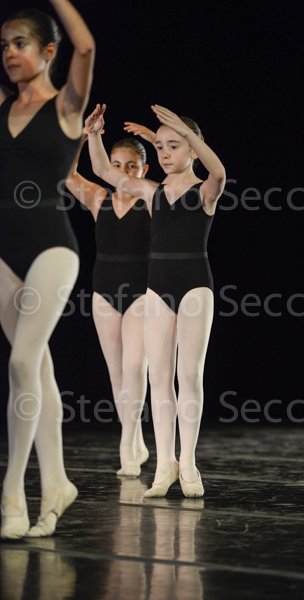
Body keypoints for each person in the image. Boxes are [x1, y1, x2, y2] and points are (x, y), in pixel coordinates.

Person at [85, 102, 226, 498]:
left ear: (192, 149)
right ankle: (165, 464)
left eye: (172, 146)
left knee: (189, 377)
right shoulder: (151, 192)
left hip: (195, 287)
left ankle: (189, 462)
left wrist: (189, 133)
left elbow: (219, 172)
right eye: (159, 147)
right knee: (158, 378)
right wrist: (93, 135)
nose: (163, 153)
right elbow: (103, 171)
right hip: (157, 289)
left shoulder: (205, 191)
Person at [0, 1, 95, 538]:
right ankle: (57, 483)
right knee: (37, 369)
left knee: (21, 362)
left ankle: (13, 492)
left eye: (20, 43)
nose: (9, 53)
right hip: (3, 252)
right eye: (4, 46)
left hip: (51, 248)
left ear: (48, 50)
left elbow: (87, 46)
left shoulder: (66, 106)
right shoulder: (1, 107)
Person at [65, 134, 152, 476]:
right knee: (117, 372)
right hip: (104, 292)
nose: (123, 172)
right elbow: (68, 174)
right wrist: (85, 138)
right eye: (116, 165)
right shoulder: (99, 198)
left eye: (131, 166)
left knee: (135, 366)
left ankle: (127, 444)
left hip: (141, 293)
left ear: (144, 169)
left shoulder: (152, 199)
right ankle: (134, 437)